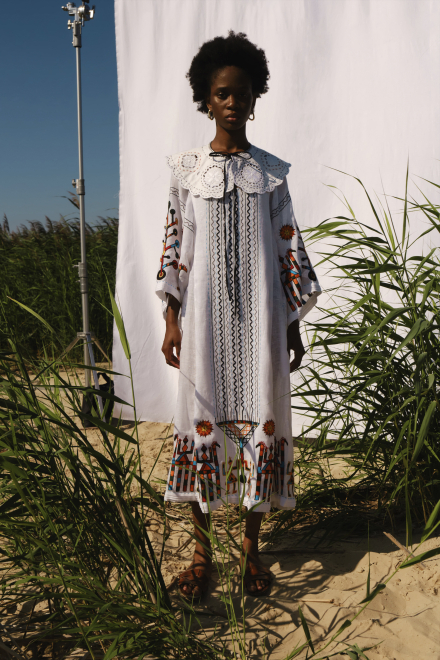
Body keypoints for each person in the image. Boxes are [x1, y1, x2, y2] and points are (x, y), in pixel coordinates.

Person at [156, 31, 321, 600]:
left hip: (262, 323)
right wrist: (172, 317)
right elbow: (177, 247)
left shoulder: (272, 174)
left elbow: (286, 248)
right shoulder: (184, 171)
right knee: (200, 428)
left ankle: (251, 550)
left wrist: (293, 324)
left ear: (255, 98)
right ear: (206, 97)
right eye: (222, 93)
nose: (232, 101)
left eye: (242, 93)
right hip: (202, 324)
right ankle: (203, 553)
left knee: (264, 419)